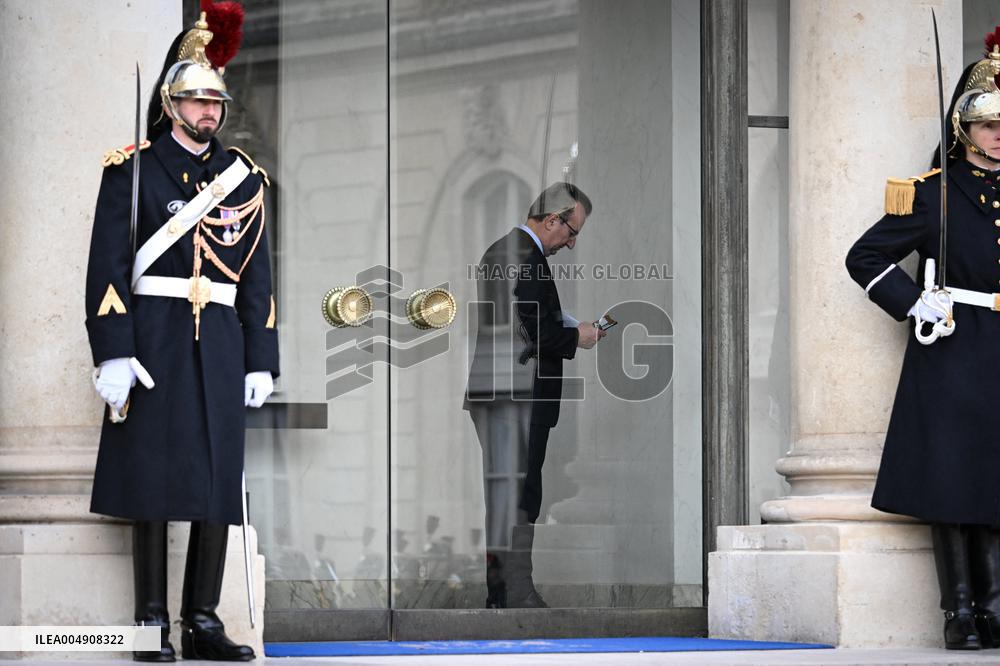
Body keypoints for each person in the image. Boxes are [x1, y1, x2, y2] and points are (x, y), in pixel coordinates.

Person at [85, 5, 277, 661]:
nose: (207, 111)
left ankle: (201, 622)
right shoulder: (130, 170)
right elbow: (107, 269)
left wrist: (261, 359)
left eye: (215, 101)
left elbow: (257, 280)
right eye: (195, 100)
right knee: (153, 481)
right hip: (157, 340)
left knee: (219, 482)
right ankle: (148, 624)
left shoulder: (244, 178)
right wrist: (113, 351)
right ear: (170, 103)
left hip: (220, 342)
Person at [846, 31, 1000, 651]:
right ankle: (959, 611)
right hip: (955, 344)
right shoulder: (935, 191)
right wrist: (914, 304)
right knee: (951, 478)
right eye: (988, 124)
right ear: (965, 128)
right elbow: (865, 257)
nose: (998, 135)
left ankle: (995, 604)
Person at [464, 182, 603, 608]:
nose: (572, 243)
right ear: (551, 220)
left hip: (503, 392)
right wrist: (576, 335)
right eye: (571, 231)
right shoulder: (524, 256)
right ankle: (514, 594)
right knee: (520, 492)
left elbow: (518, 323)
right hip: (517, 395)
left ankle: (503, 594)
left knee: (508, 492)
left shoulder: (503, 251)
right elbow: (534, 332)